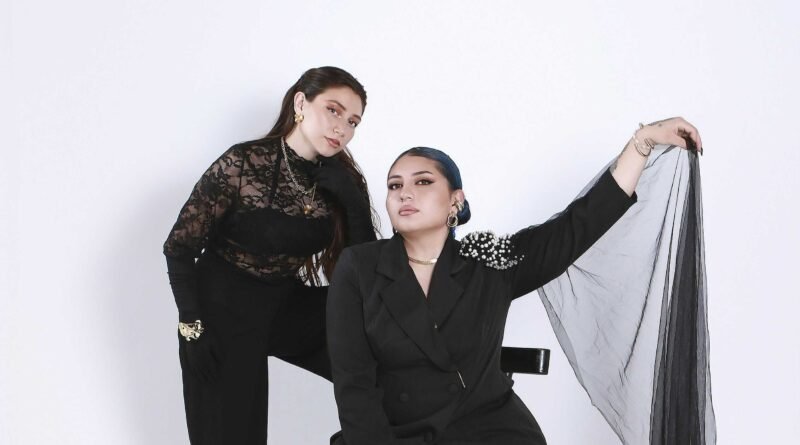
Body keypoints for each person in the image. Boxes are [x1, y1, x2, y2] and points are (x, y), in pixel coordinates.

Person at [327, 117, 715, 444]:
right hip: (393, 434)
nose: (404, 194)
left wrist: (642, 142)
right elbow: (353, 384)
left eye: (423, 182)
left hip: (489, 431)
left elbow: (577, 227)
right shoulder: (359, 267)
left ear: (455, 200)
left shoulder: (488, 261)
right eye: (395, 185)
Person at [163, 66, 378, 444]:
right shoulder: (242, 162)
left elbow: (365, 271)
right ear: (301, 103)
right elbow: (179, 247)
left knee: (381, 351)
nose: (342, 128)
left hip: (284, 305)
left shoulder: (338, 179)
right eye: (333, 110)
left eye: (353, 122)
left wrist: (353, 202)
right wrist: (191, 327)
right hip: (222, 312)